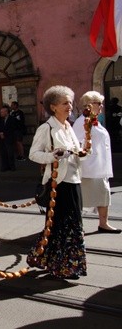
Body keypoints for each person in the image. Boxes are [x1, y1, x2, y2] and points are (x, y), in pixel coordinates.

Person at [27, 85, 87, 280]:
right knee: (61, 225)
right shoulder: (47, 128)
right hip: (58, 184)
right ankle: (63, 266)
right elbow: (33, 155)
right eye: (65, 103)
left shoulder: (68, 126)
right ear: (53, 107)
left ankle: (53, 261)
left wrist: (83, 152)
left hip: (74, 180)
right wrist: (54, 155)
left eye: (70, 102)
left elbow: (76, 153)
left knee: (73, 224)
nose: (70, 106)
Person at [72, 91, 120, 233]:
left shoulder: (95, 121)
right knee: (84, 200)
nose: (101, 106)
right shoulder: (82, 121)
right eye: (99, 103)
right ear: (89, 105)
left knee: (104, 196)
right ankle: (76, 228)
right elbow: (78, 144)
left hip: (100, 167)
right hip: (89, 169)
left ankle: (103, 223)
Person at [0, 105, 17, 171]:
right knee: (3, 153)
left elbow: (12, 128)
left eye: (2, 112)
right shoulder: (0, 120)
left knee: (10, 153)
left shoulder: (12, 119)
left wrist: (4, 134)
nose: (1, 113)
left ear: (6, 112)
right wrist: (0, 133)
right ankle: (4, 167)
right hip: (2, 139)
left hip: (9, 138)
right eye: (1, 112)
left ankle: (12, 167)